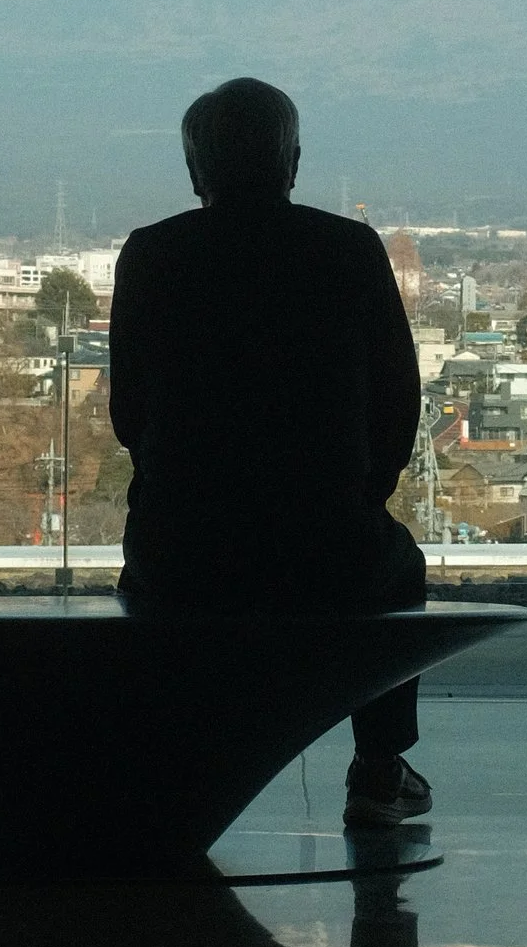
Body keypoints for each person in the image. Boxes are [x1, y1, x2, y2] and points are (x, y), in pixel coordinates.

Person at [108, 77, 434, 829]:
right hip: (330, 545)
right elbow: (398, 398)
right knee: (398, 567)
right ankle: (379, 768)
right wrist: (357, 492)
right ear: (293, 163)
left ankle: (168, 765)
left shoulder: (153, 255)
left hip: (180, 548)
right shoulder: (348, 251)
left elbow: (131, 415)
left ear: (196, 170)